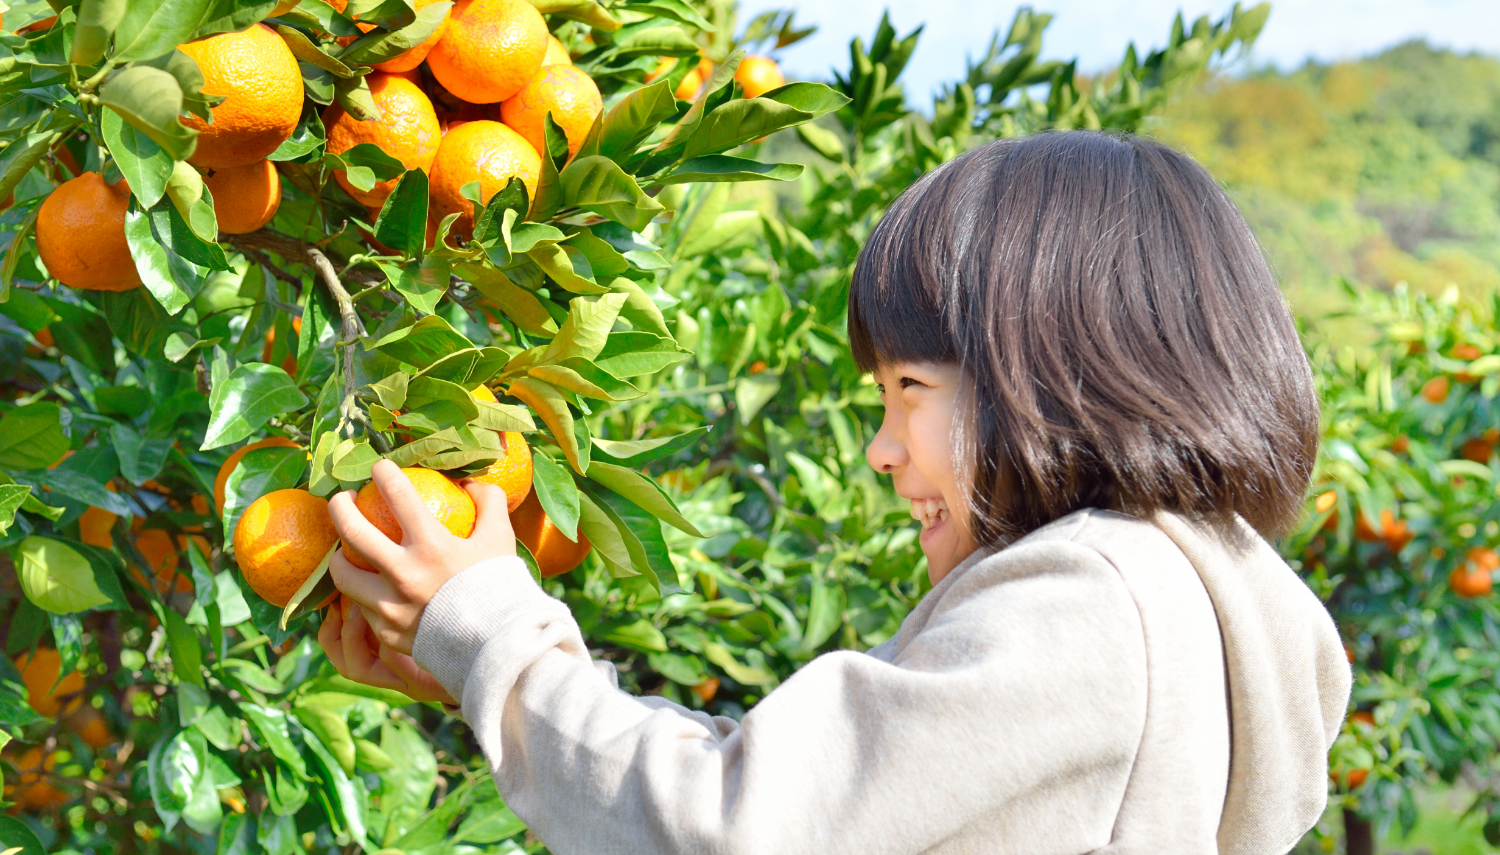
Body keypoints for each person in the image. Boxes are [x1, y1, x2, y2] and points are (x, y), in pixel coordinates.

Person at [320, 131, 1352, 854]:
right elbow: (807, 806)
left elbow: (728, 831)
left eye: (910, 390)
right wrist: (490, 680)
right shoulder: (1186, 605)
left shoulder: (1094, 606)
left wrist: (494, 632)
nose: (883, 449)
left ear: (1064, 375)